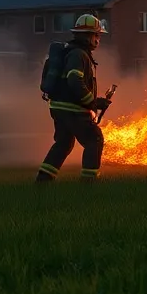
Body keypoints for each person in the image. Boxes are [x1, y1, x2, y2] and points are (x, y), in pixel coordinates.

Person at [35, 14, 113, 182]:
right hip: (73, 109)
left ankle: (43, 179)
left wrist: (95, 101)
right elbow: (74, 79)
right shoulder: (79, 55)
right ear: (88, 35)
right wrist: (92, 102)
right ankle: (88, 183)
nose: (98, 39)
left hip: (59, 107)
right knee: (94, 139)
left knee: (63, 143)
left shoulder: (70, 52)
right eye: (97, 35)